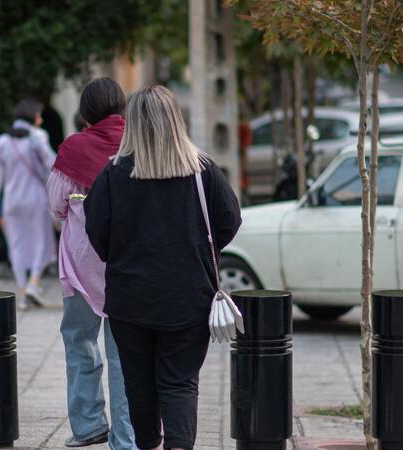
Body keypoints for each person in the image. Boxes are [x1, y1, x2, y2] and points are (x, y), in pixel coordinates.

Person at [84, 85, 242, 450]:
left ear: (133, 124)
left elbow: (96, 230)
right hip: (188, 297)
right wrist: (199, 251)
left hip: (130, 300)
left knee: (138, 383)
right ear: (176, 120)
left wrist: (121, 256)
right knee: (180, 382)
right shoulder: (203, 170)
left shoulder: (114, 174)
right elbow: (229, 220)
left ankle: (148, 444)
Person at [47, 78, 136, 449]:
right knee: (125, 352)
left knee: (79, 340)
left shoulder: (73, 149)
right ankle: (126, 437)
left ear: (85, 112)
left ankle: (87, 426)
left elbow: (55, 207)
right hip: (129, 267)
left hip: (83, 267)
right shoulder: (140, 145)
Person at [0, 99, 57, 308]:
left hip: (11, 200)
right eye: (38, 115)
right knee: (41, 241)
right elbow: (52, 165)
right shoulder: (38, 137)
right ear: (31, 117)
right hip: (35, 198)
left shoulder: (2, 141)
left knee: (16, 244)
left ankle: (22, 291)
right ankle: (33, 283)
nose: (41, 119)